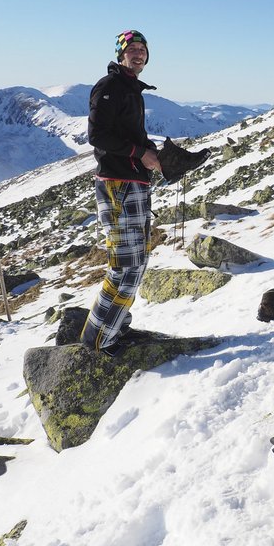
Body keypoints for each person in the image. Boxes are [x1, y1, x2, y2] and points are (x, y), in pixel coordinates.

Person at [80, 29, 161, 358]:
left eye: (143, 50)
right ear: (121, 54)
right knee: (125, 266)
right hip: (117, 184)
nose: (139, 55)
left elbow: (129, 135)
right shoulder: (110, 87)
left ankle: (115, 324)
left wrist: (153, 153)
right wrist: (140, 154)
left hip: (133, 182)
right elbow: (97, 135)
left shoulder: (130, 89)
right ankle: (98, 339)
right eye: (133, 50)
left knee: (137, 262)